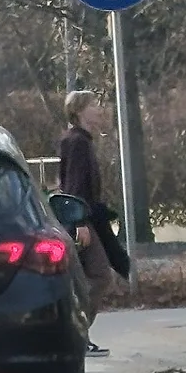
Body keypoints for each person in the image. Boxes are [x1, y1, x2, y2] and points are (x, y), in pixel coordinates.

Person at [59, 90, 131, 355]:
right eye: (93, 105)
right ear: (79, 111)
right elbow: (75, 185)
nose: (99, 109)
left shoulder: (80, 140)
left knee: (87, 277)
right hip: (81, 221)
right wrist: (79, 222)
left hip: (85, 218)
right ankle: (72, 334)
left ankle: (74, 334)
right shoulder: (77, 142)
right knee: (100, 275)